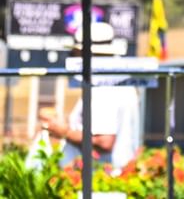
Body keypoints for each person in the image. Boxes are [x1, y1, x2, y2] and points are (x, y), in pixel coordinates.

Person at [36, 22, 142, 175]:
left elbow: (104, 142)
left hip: (100, 180)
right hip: (108, 178)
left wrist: (64, 131)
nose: (73, 56)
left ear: (85, 54)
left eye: (75, 52)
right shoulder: (118, 81)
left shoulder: (104, 86)